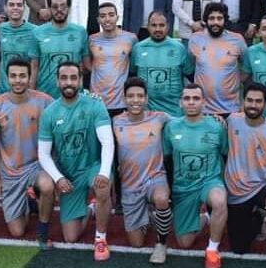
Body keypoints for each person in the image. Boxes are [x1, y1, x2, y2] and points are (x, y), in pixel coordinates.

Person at [37, 62, 114, 260]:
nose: (68, 82)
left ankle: (100, 239)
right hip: (68, 174)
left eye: (73, 78)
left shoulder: (95, 105)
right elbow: (43, 154)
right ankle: (90, 208)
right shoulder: (49, 113)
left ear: (80, 81)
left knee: (103, 186)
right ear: (57, 81)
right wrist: (59, 178)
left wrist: (104, 172)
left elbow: (107, 142)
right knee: (71, 237)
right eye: (64, 78)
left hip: (92, 167)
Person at [0, 58, 55, 247]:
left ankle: (42, 231)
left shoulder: (45, 101)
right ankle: (30, 200)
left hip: (36, 165)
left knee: (47, 186)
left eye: (22, 76)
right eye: (13, 76)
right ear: (7, 78)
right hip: (10, 171)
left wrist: (55, 171)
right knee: (17, 231)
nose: (18, 80)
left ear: (29, 77)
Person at [162, 84, 228, 268]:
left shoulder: (217, 126)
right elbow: (166, 159)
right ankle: (206, 218)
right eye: (187, 98)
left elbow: (226, 153)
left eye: (196, 98)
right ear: (180, 103)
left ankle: (212, 250)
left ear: (203, 102)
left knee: (219, 201)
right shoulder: (171, 127)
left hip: (210, 181)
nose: (191, 102)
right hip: (183, 187)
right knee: (185, 242)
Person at [225, 82, 266, 268]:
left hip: (260, 186)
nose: (253, 105)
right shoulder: (231, 121)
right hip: (235, 191)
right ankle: (259, 217)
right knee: (239, 248)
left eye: (258, 101)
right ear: (243, 102)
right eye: (250, 100)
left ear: (265, 104)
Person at [112, 77, 172, 264]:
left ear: (146, 98)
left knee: (161, 198)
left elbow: (186, 120)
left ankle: (161, 244)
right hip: (130, 185)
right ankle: (149, 216)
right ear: (124, 99)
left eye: (140, 96)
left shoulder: (159, 117)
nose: (135, 100)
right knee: (136, 243)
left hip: (155, 178)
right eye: (131, 96)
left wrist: (213, 118)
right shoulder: (115, 121)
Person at [188, 2, 247, 117]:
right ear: (206, 20)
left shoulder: (237, 40)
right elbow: (191, 66)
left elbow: (246, 68)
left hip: (231, 109)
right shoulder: (195, 39)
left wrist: (233, 84)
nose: (215, 22)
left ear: (225, 20)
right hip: (202, 109)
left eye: (219, 18)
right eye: (211, 18)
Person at [131, 11, 194, 117]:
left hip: (175, 113)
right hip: (147, 114)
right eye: (154, 25)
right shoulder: (138, 48)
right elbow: (131, 76)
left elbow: (191, 76)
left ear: (168, 26)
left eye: (161, 25)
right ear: (147, 27)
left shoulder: (179, 48)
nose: (158, 29)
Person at [32, 0, 90, 98]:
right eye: (55, 7)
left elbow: (87, 66)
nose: (59, 10)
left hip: (73, 94)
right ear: (49, 9)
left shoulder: (80, 32)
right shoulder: (38, 32)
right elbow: (34, 67)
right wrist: (31, 94)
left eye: (63, 6)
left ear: (69, 8)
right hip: (45, 94)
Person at [88, 2, 138, 115]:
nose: (107, 19)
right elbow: (87, 65)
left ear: (117, 17)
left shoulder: (130, 38)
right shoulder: (92, 39)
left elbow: (134, 66)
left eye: (111, 15)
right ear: (98, 20)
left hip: (121, 101)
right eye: (103, 16)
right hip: (96, 100)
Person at [0, 0, 39, 93]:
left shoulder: (34, 30)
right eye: (11, 5)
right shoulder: (1, 28)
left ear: (24, 8)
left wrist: (31, 89)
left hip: (23, 88)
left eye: (19, 5)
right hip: (4, 88)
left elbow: (34, 64)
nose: (15, 8)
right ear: (5, 8)